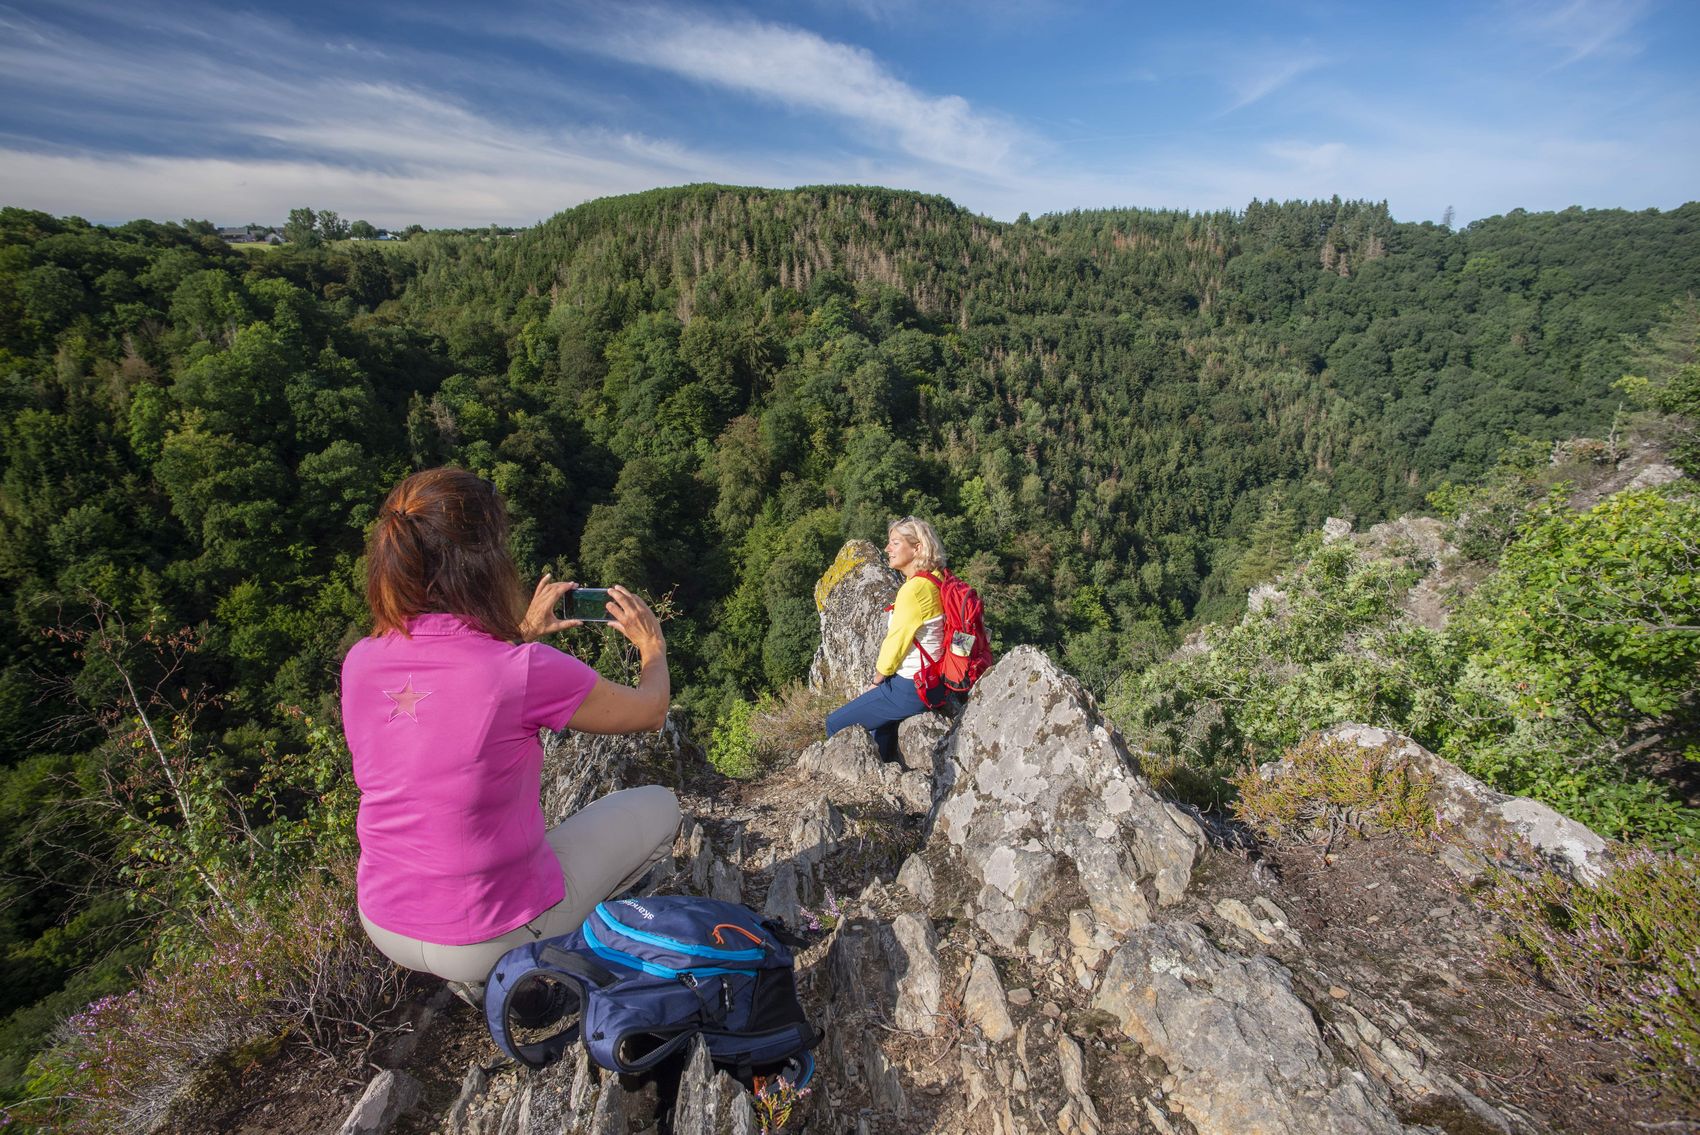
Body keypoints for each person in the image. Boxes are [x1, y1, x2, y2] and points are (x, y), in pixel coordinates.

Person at [340, 467, 681, 1000]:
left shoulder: (360, 662)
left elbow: (454, 697)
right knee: (661, 806)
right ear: (486, 562)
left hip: (384, 920)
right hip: (487, 933)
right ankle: (547, 965)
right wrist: (651, 646)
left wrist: (519, 634)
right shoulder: (522, 670)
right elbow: (650, 711)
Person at [824, 516, 947, 762]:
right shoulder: (936, 578)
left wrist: (877, 681)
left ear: (917, 548)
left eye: (895, 543)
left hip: (910, 688)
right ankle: (886, 768)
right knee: (881, 729)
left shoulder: (912, 591)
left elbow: (896, 643)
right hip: (933, 680)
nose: (887, 549)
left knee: (834, 723)